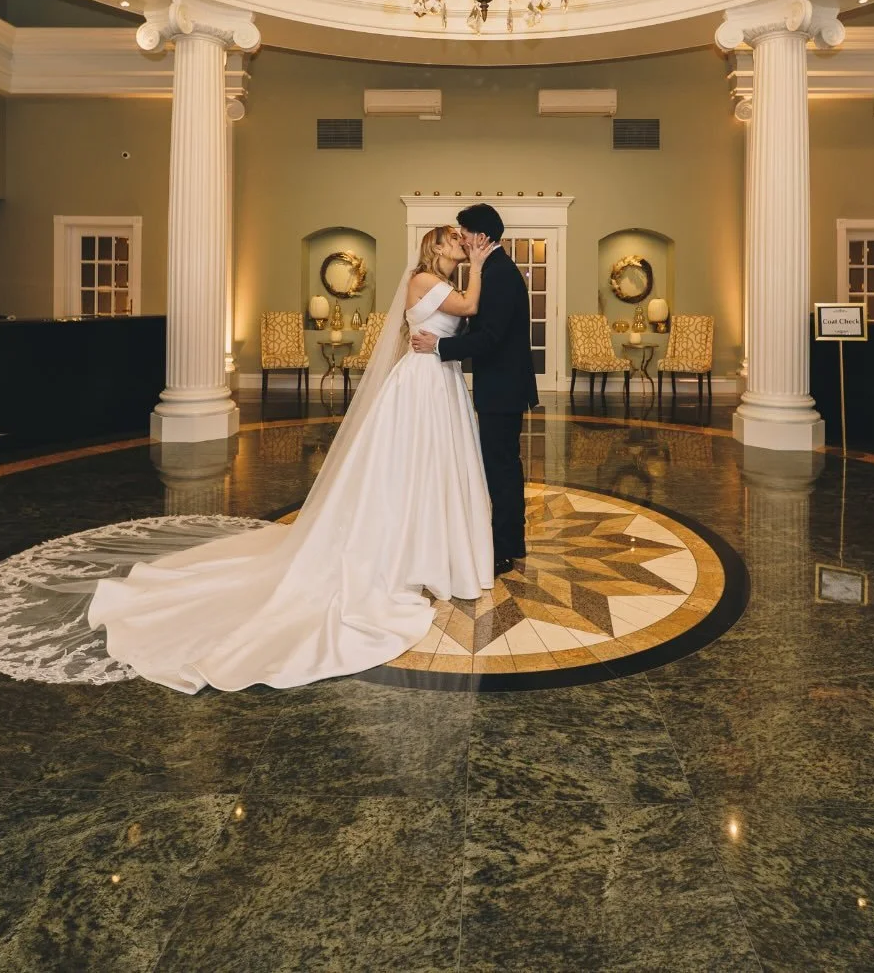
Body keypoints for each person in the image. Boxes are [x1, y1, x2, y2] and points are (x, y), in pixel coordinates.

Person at [74, 226, 496, 692]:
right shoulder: (422, 280)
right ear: (436, 247)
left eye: (464, 239)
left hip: (442, 379)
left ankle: (434, 547)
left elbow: (461, 320)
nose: (461, 241)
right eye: (454, 238)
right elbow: (470, 309)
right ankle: (406, 551)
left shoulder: (445, 284)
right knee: (411, 466)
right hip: (422, 384)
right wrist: (478, 265)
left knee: (436, 470)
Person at [411, 203, 539, 575]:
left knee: (501, 469)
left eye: (463, 232)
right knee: (501, 466)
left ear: (480, 236)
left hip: (503, 387)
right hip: (499, 385)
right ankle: (508, 541)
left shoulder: (498, 274)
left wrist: (440, 346)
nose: (461, 238)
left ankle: (505, 548)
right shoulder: (493, 270)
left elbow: (490, 337)